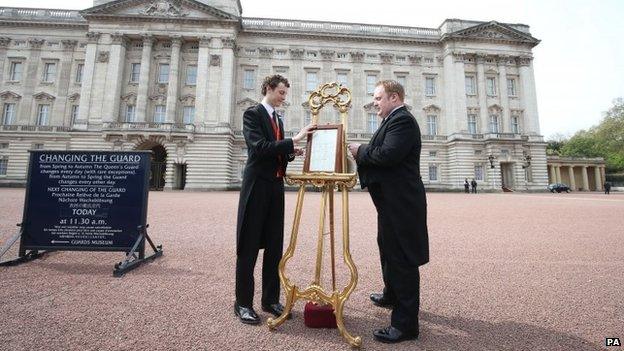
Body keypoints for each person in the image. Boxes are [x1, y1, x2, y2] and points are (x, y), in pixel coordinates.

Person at [348, 80, 429, 343]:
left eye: (379, 98)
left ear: (394, 98)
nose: (375, 102)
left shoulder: (402, 121)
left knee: (402, 258)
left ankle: (405, 326)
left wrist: (360, 150)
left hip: (401, 203)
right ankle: (392, 295)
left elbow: (388, 155)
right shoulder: (391, 121)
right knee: (387, 247)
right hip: (391, 202)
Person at [235, 74, 315, 325]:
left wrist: (292, 151)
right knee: (248, 247)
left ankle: (270, 299)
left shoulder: (276, 118)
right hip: (256, 186)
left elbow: (275, 151)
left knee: (274, 247)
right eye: (281, 93)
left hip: (275, 187)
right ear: (268, 89)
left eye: (284, 94)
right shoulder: (252, 114)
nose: (283, 98)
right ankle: (242, 303)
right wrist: (295, 140)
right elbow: (258, 148)